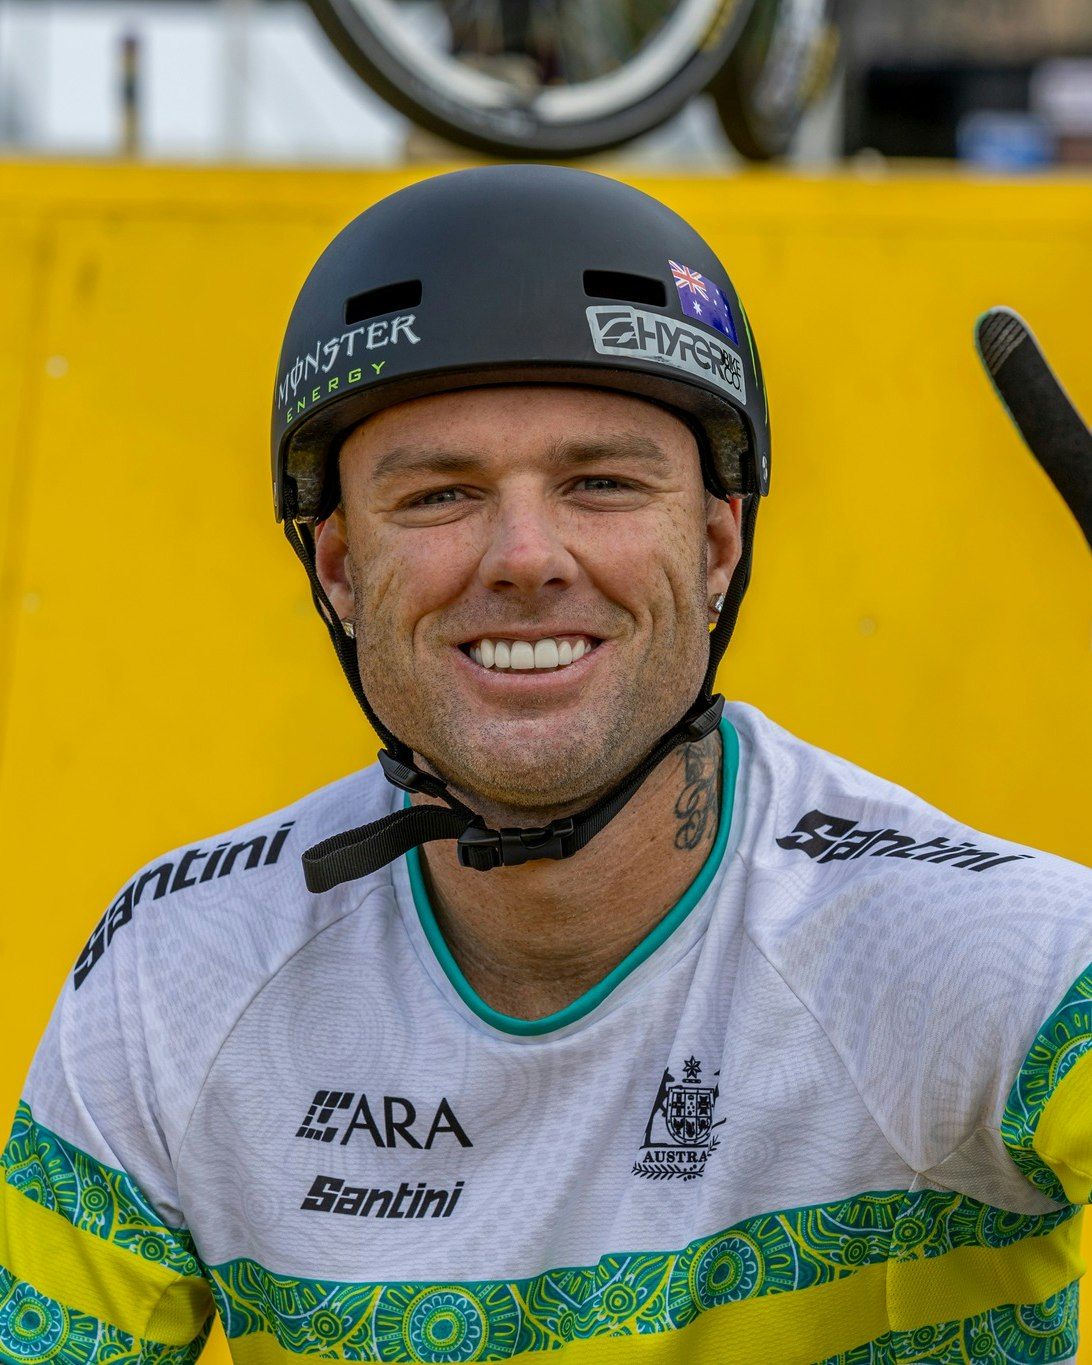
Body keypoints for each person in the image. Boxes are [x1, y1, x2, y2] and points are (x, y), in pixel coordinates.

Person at [1, 164, 1090, 1365]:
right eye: (441, 494)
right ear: (339, 571)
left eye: (601, 484)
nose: (526, 556)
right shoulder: (175, 976)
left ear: (718, 543)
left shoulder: (975, 953)